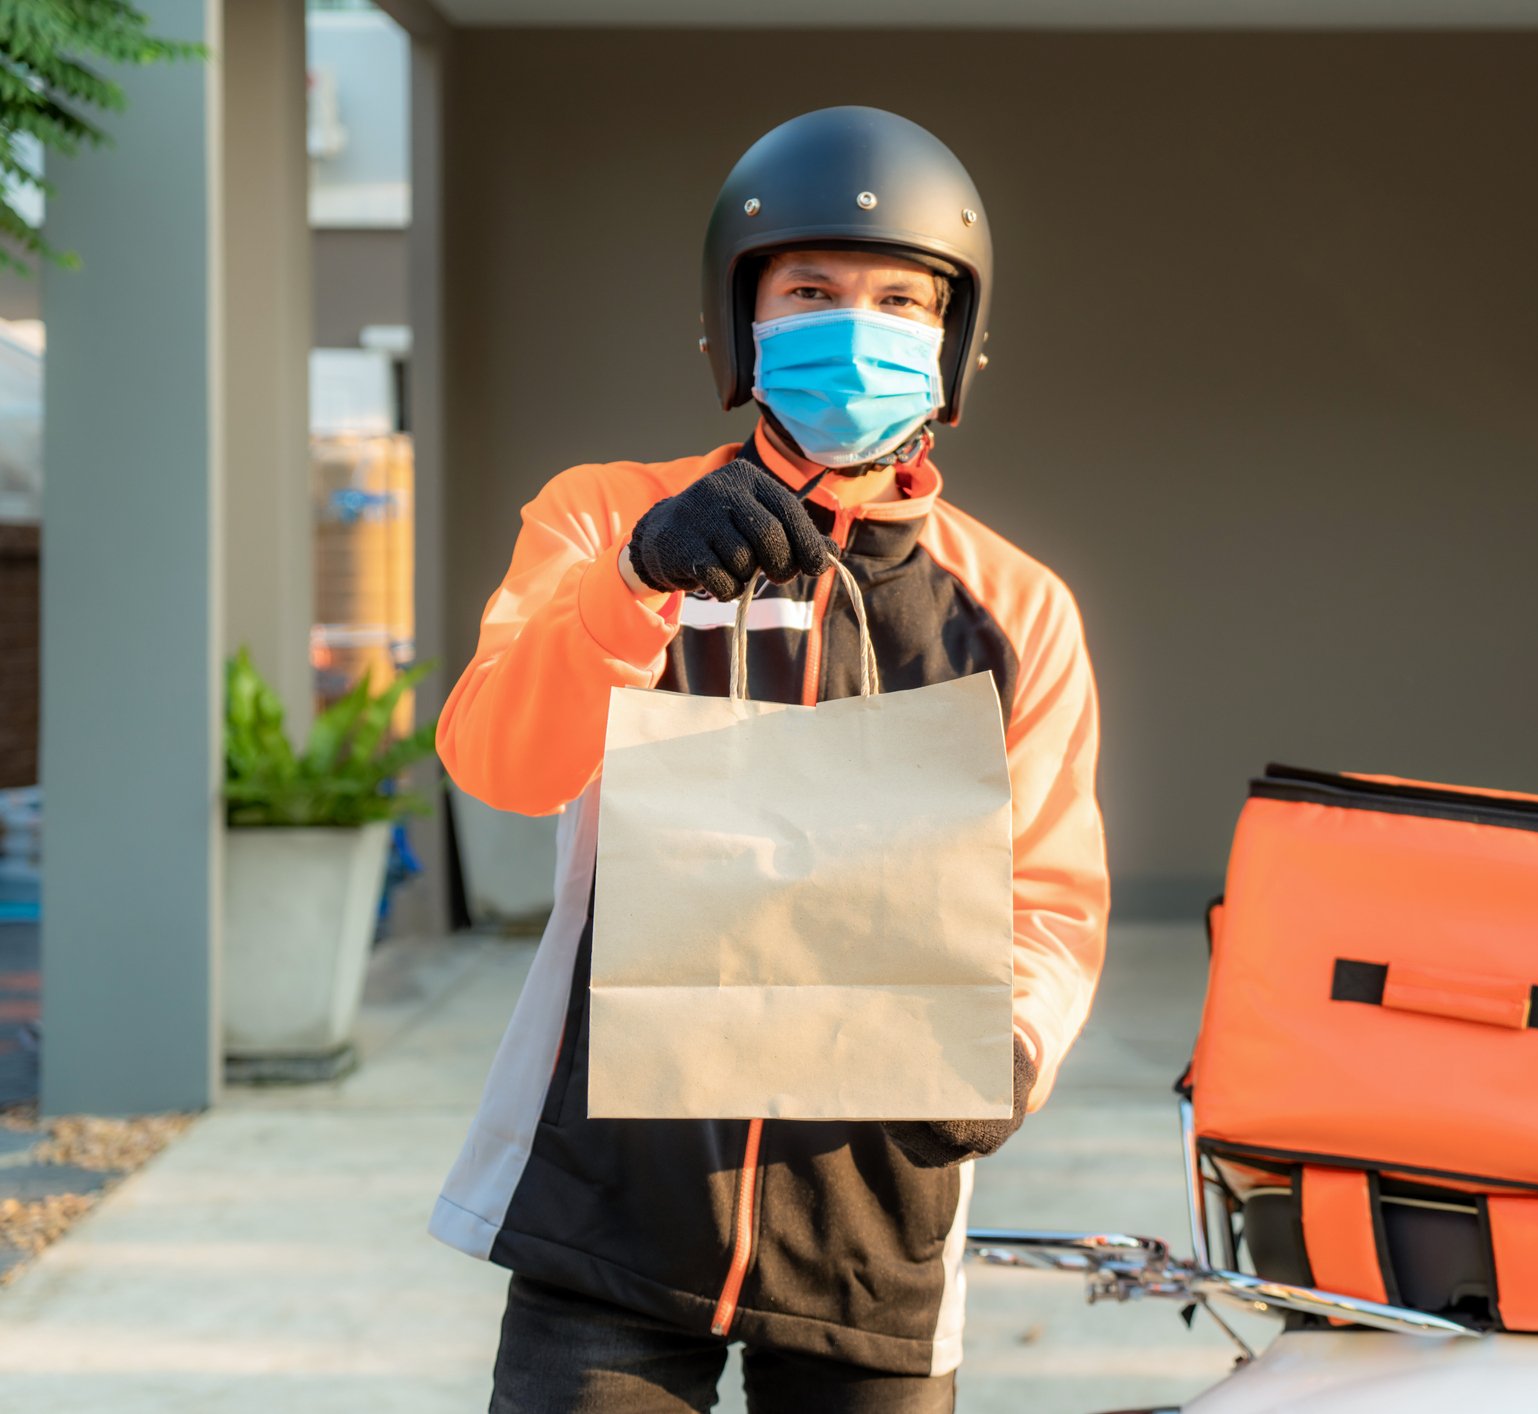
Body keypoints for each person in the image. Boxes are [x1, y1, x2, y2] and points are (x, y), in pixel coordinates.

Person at [428, 106, 1110, 1413]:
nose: (857, 325)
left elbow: (1057, 903)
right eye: (811, 289)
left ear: (955, 339)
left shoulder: (1016, 611)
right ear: (739, 319)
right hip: (613, 1212)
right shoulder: (605, 519)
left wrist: (1013, 1046)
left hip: (877, 1230)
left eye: (901, 299)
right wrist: (635, 581)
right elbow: (499, 757)